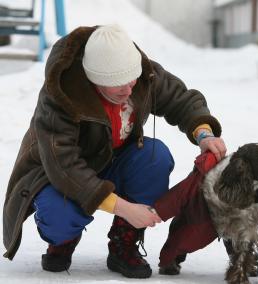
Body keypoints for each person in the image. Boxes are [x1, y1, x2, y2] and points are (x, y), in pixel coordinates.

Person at [2, 24, 227, 279]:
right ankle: (64, 238)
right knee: (58, 214)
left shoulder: (139, 73)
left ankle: (124, 242)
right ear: (94, 79)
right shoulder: (61, 94)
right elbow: (64, 166)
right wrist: (124, 207)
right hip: (62, 174)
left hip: (115, 159)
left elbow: (180, 99)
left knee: (156, 157)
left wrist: (204, 133)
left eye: (131, 81)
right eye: (117, 85)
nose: (129, 89)